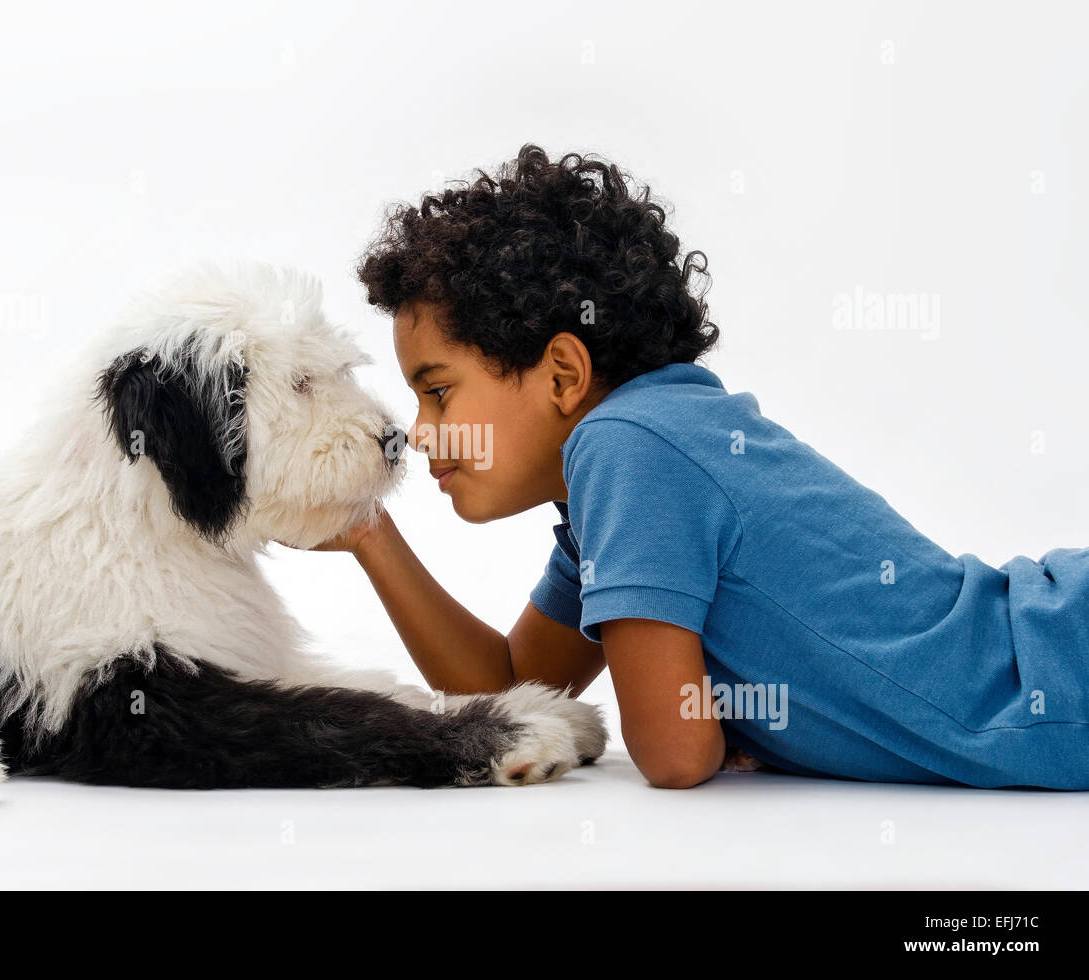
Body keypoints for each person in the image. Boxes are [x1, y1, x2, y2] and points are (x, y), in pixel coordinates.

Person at [290, 144, 1089, 790]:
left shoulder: (629, 449)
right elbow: (511, 688)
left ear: (564, 374)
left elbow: (675, 755)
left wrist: (730, 726)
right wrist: (372, 536)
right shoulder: (627, 472)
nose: (423, 436)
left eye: (437, 393)